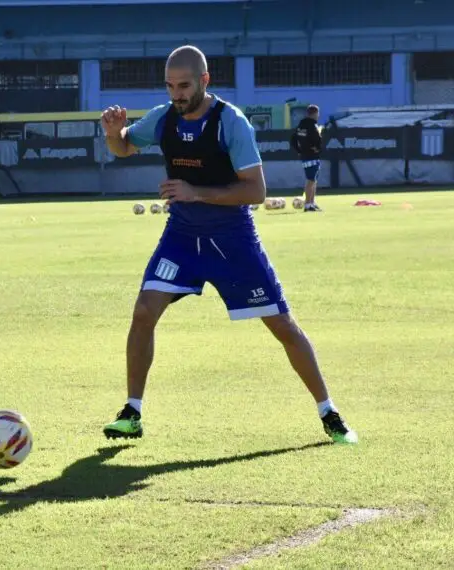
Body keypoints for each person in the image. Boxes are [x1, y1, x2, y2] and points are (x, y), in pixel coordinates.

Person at [100, 46, 357, 445]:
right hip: (182, 237)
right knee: (143, 310)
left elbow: (255, 191)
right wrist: (112, 133)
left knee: (281, 325)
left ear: (205, 80)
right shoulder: (163, 118)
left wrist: (193, 191)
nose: (176, 94)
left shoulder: (230, 123)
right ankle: (132, 411)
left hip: (232, 241)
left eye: (184, 86)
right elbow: (124, 148)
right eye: (170, 86)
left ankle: (330, 412)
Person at [290, 105, 323, 212]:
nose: (318, 116)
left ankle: (312, 202)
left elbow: (293, 139)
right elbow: (316, 140)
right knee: (310, 180)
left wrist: (300, 151)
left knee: (313, 180)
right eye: (318, 114)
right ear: (314, 114)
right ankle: (308, 204)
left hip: (305, 156)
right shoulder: (312, 126)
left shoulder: (301, 125)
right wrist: (316, 148)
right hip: (312, 156)